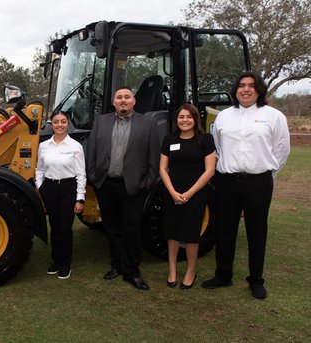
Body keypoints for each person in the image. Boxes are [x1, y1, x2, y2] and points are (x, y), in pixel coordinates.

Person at [202, 71, 290, 299]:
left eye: (251, 85)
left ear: (259, 90)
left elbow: (282, 150)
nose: (246, 89)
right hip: (227, 182)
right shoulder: (223, 117)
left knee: (257, 232)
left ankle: (256, 280)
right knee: (224, 231)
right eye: (241, 85)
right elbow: (219, 149)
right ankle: (223, 275)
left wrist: (268, 175)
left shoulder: (274, 116)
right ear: (235, 90)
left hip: (258, 183)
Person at [86, 87, 160, 290]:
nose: (123, 100)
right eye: (119, 97)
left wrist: (147, 183)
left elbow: (154, 157)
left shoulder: (148, 123)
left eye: (127, 97)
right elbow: (91, 151)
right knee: (112, 229)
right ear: (114, 102)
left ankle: (132, 271)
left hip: (133, 187)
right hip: (106, 185)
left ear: (133, 101)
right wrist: (93, 177)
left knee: (132, 229)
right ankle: (116, 265)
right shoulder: (101, 121)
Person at [159, 104, 216, 289]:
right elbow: (162, 168)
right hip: (172, 193)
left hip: (196, 194)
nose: (185, 120)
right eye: (181, 117)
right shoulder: (170, 139)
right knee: (173, 232)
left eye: (188, 117)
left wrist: (190, 193)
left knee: (191, 234)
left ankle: (191, 271)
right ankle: (172, 270)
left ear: (195, 119)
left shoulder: (205, 140)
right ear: (176, 120)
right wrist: (173, 193)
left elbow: (209, 170)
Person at [36, 111, 86, 280]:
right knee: (54, 227)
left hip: (68, 189)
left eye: (63, 121)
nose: (59, 125)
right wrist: (40, 187)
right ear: (51, 124)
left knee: (65, 228)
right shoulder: (44, 146)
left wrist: (80, 198)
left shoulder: (75, 146)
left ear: (68, 123)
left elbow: (81, 175)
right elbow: (39, 169)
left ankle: (65, 264)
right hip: (49, 188)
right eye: (56, 122)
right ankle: (55, 261)